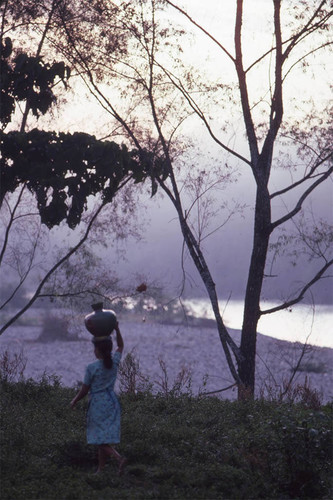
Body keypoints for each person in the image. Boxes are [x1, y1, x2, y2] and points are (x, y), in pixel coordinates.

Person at [70, 322, 127, 475]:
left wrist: (74, 400)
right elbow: (121, 346)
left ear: (98, 350)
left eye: (94, 348)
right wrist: (117, 329)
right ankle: (100, 469)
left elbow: (84, 390)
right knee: (103, 438)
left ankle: (119, 458)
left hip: (97, 404)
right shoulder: (114, 363)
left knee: (97, 438)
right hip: (112, 403)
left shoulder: (92, 368)